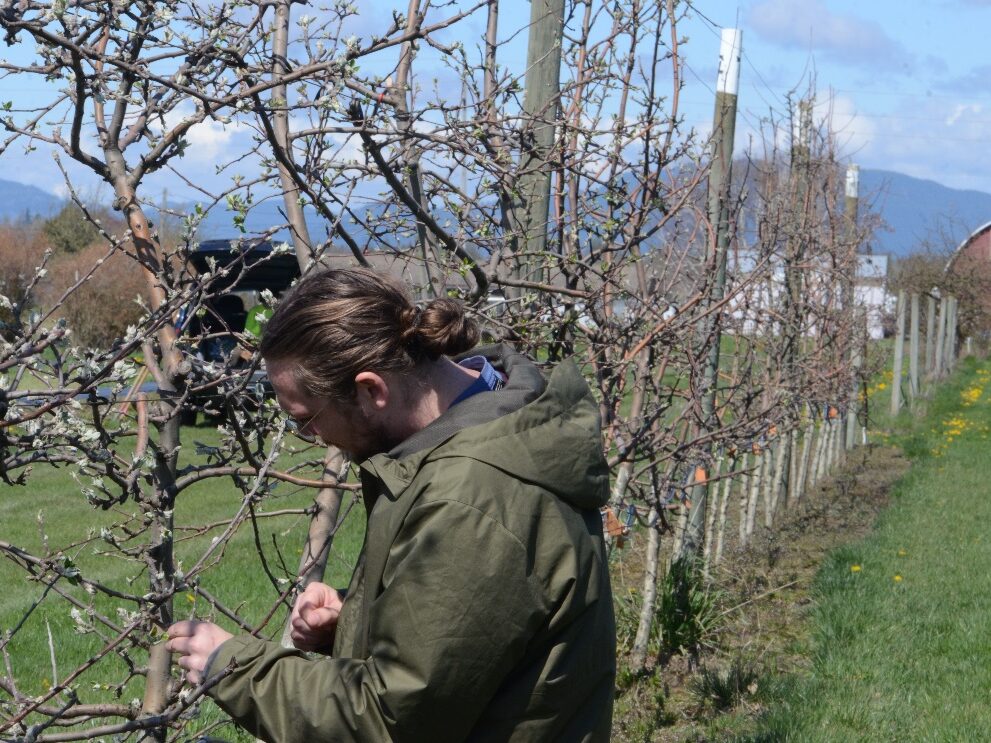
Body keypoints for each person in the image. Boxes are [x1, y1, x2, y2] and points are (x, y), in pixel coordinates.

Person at [166, 267, 616, 741]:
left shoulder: (469, 498)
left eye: (305, 418)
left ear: (370, 390)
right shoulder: (496, 416)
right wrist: (358, 617)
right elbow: (471, 644)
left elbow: (389, 720)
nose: (310, 436)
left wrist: (232, 666)